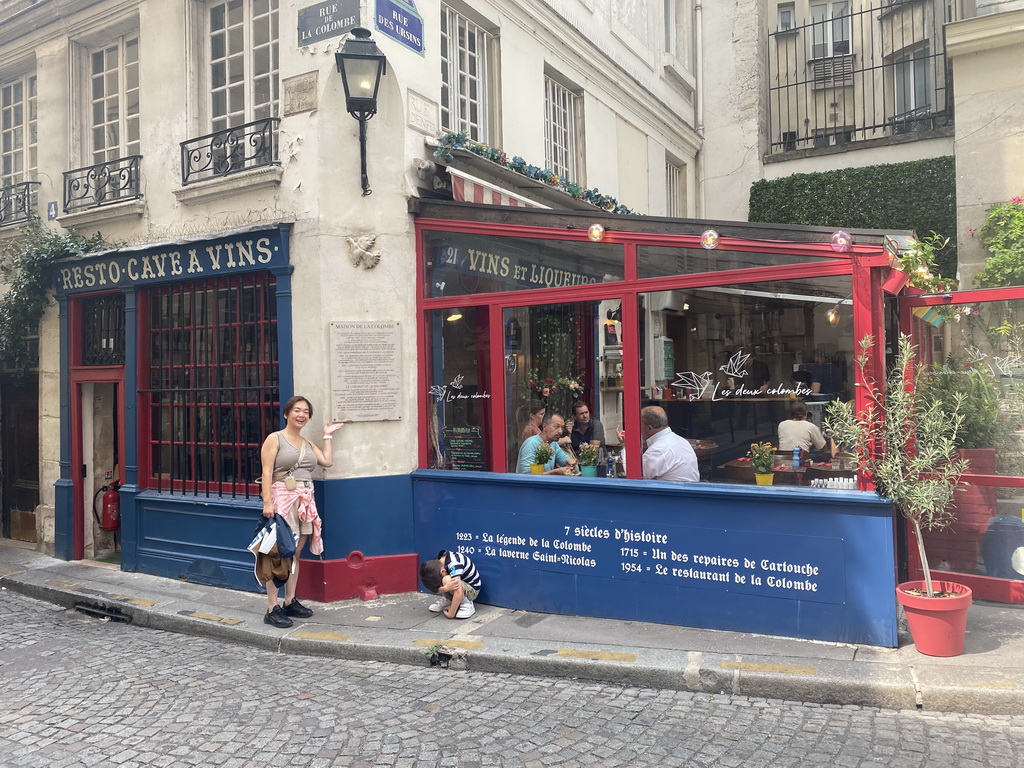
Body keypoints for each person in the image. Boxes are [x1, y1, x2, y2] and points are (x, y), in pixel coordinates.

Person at [259, 395, 344, 628]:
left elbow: (326, 461)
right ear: (286, 414)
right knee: (279, 554)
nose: (301, 415)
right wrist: (268, 502)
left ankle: (289, 601)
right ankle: (271, 608)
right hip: (282, 500)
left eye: (306, 412)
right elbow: (266, 472)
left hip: (305, 502)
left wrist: (327, 434)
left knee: (295, 553)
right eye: (297, 410)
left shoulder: (307, 443)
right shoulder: (274, 439)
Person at [640, 405, 699, 482]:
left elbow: (635, 476)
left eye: (639, 425)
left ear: (649, 428)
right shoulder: (682, 441)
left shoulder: (657, 450)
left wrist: (626, 447)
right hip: (689, 491)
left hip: (671, 492)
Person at [420, 548, 483, 619]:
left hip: (472, 590)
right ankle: (450, 600)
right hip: (460, 586)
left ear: (442, 571)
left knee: (446, 579)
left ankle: (467, 604)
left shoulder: (454, 564)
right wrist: (445, 588)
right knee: (445, 581)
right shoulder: (437, 563)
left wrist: (451, 613)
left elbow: (458, 591)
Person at [516, 411, 577, 475]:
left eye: (562, 427)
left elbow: (564, 460)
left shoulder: (553, 444)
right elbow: (527, 475)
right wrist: (554, 472)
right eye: (556, 427)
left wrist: (570, 462)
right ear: (545, 426)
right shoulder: (531, 444)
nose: (560, 431)